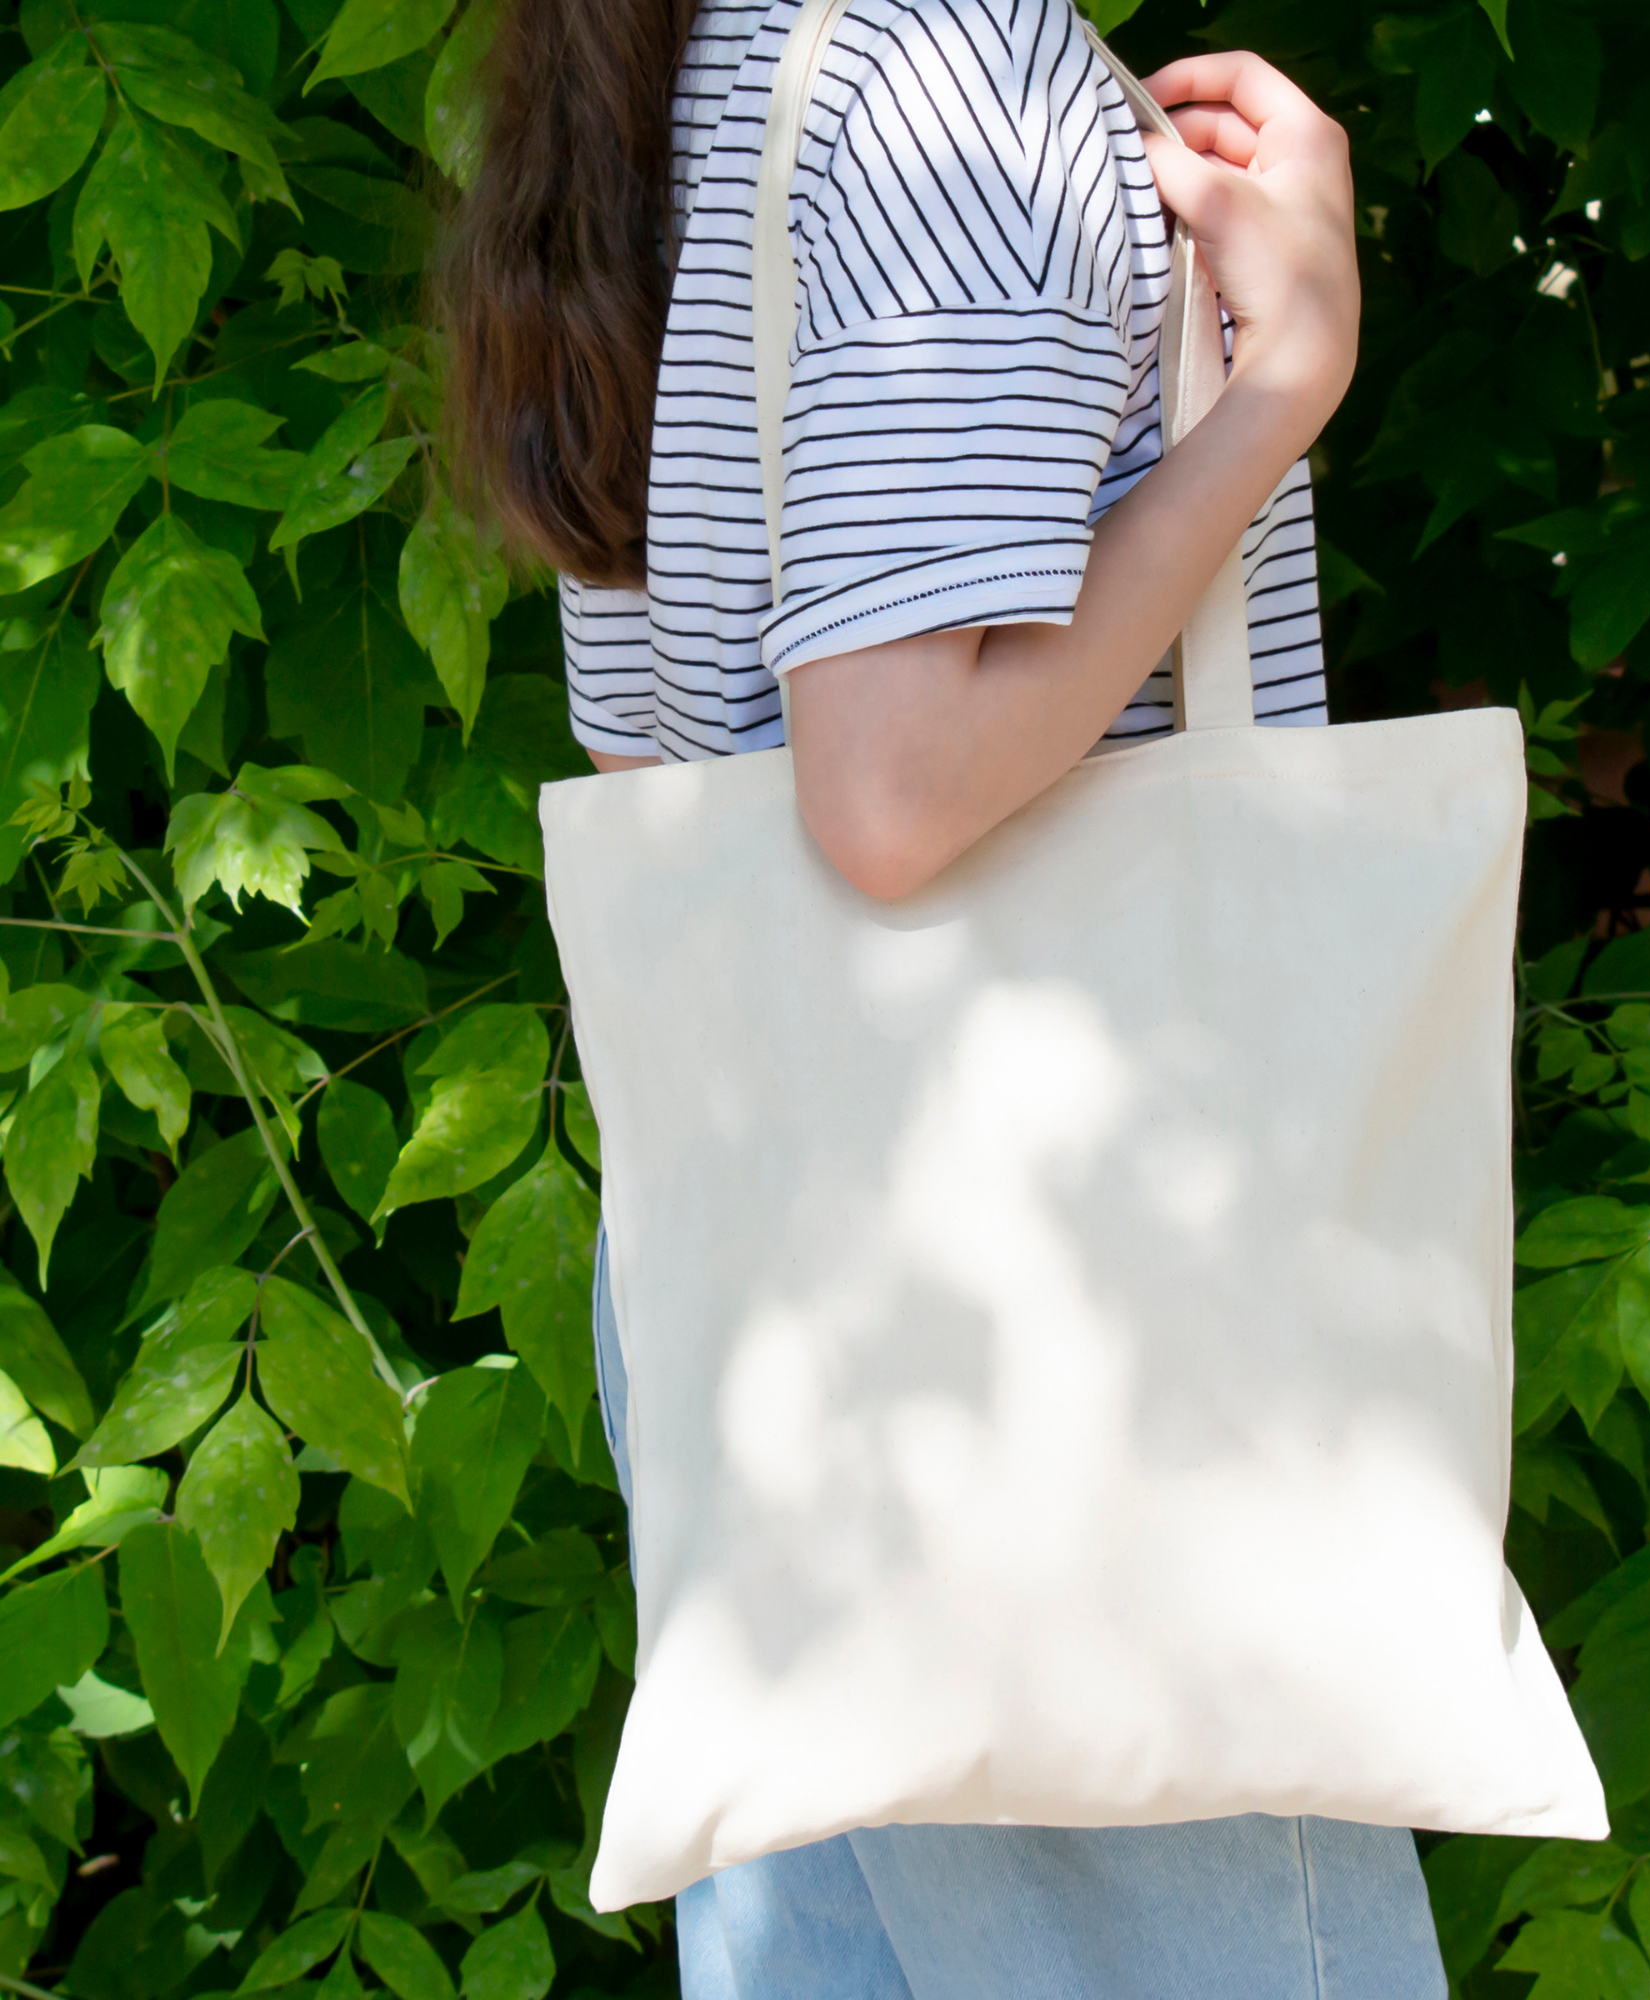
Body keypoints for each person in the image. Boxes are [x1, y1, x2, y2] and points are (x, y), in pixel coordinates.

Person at [447, 0, 1449, 1991]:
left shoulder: (674, 69)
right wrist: (1281, 384)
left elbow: (671, 770)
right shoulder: (956, 79)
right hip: (1058, 1329)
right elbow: (891, 794)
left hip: (762, 1302)